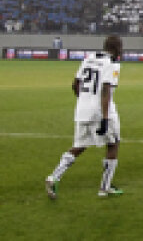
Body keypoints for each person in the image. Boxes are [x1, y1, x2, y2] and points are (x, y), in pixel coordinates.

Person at [45, 35, 124, 199]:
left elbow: (75, 84)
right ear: (117, 48)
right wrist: (104, 118)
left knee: (79, 145)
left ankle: (54, 177)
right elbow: (106, 90)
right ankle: (105, 188)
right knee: (113, 144)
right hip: (101, 111)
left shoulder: (88, 59)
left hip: (82, 110)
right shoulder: (112, 64)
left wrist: (83, 99)